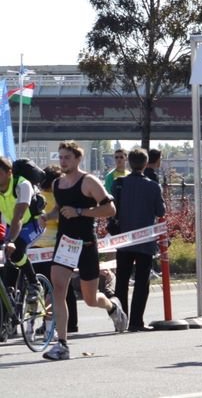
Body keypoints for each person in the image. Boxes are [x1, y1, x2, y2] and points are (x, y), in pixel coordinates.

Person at [42, 140, 128, 361]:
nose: (63, 162)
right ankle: (62, 344)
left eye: (67, 158)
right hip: (65, 243)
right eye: (60, 157)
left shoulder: (89, 181)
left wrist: (80, 211)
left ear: (78, 159)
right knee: (58, 288)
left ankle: (112, 307)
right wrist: (47, 216)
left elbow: (110, 209)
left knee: (90, 298)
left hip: (86, 243)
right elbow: (59, 209)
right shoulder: (57, 184)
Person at [112, 147, 165, 332]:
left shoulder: (118, 184)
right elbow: (161, 212)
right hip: (145, 241)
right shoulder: (153, 186)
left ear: (128, 162)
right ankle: (136, 321)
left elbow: (113, 209)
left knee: (121, 281)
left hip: (123, 240)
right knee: (142, 282)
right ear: (145, 163)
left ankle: (121, 319)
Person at [33, 165, 79, 334]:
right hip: (57, 247)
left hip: (37, 248)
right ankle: (71, 323)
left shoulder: (36, 198)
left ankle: (48, 322)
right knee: (64, 288)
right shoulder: (60, 199)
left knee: (46, 289)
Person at [0, 157, 44, 304]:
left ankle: (34, 283)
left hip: (31, 223)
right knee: (8, 260)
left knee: (16, 250)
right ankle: (10, 298)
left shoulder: (22, 185)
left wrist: (10, 240)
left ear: (9, 172)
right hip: (10, 225)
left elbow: (18, 216)